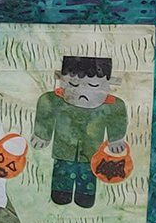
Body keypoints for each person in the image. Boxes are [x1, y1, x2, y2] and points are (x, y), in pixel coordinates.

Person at [32, 53, 129, 208]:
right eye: (73, 84)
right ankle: (61, 193)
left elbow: (117, 114)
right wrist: (42, 134)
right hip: (63, 150)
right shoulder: (56, 101)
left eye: (94, 86)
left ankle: (85, 195)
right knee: (62, 173)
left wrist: (115, 138)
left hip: (91, 152)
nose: (83, 93)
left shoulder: (110, 106)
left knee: (88, 175)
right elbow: (46, 104)